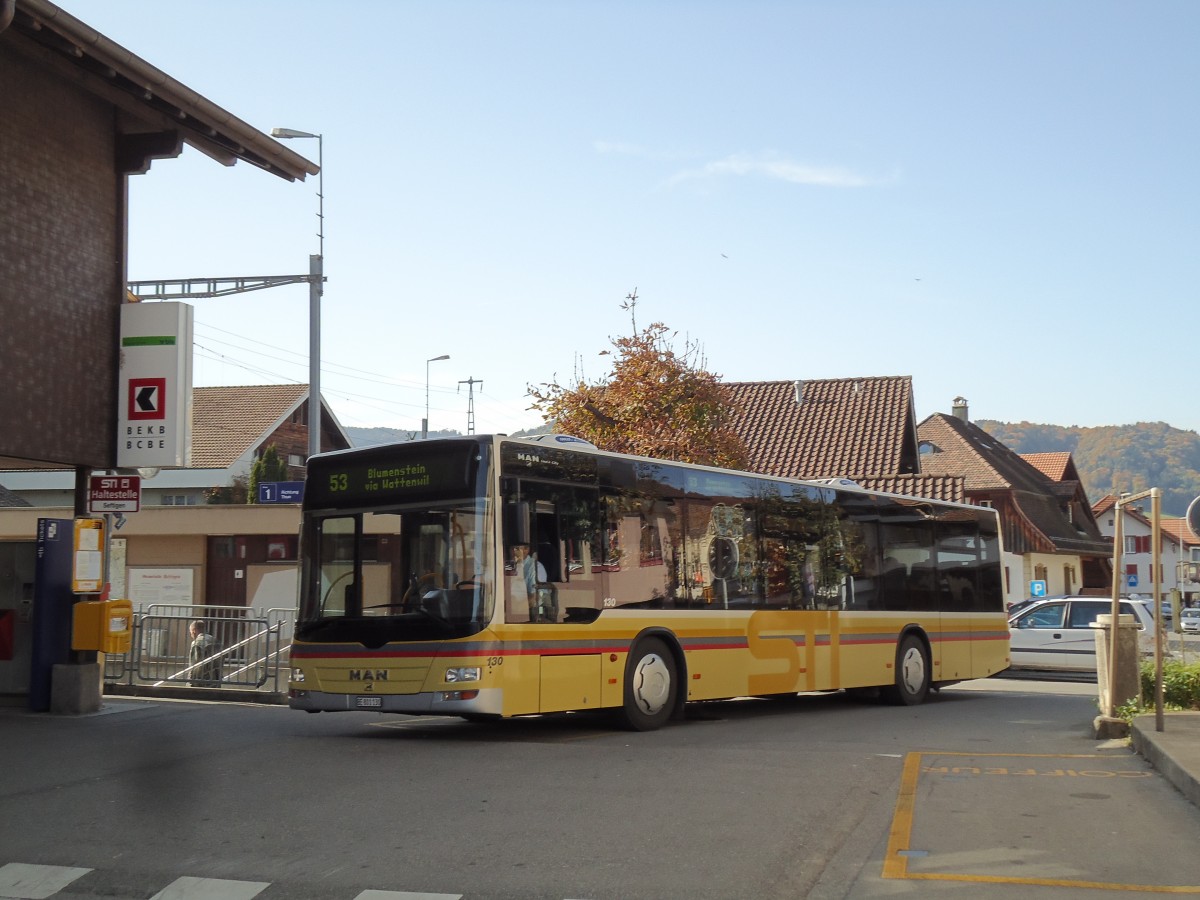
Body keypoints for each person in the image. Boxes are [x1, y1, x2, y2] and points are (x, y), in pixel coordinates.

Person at [511, 543, 548, 622]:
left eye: (516, 548)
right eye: (511, 548)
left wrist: (513, 609)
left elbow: (535, 597)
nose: (513, 551)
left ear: (526, 550)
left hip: (529, 615)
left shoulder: (535, 567)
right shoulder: (508, 565)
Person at [188, 619, 222, 687]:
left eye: (190, 632)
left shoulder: (196, 643)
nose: (191, 635)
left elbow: (195, 665)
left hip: (202, 683)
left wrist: (190, 682)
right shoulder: (215, 640)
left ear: (194, 631)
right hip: (215, 681)